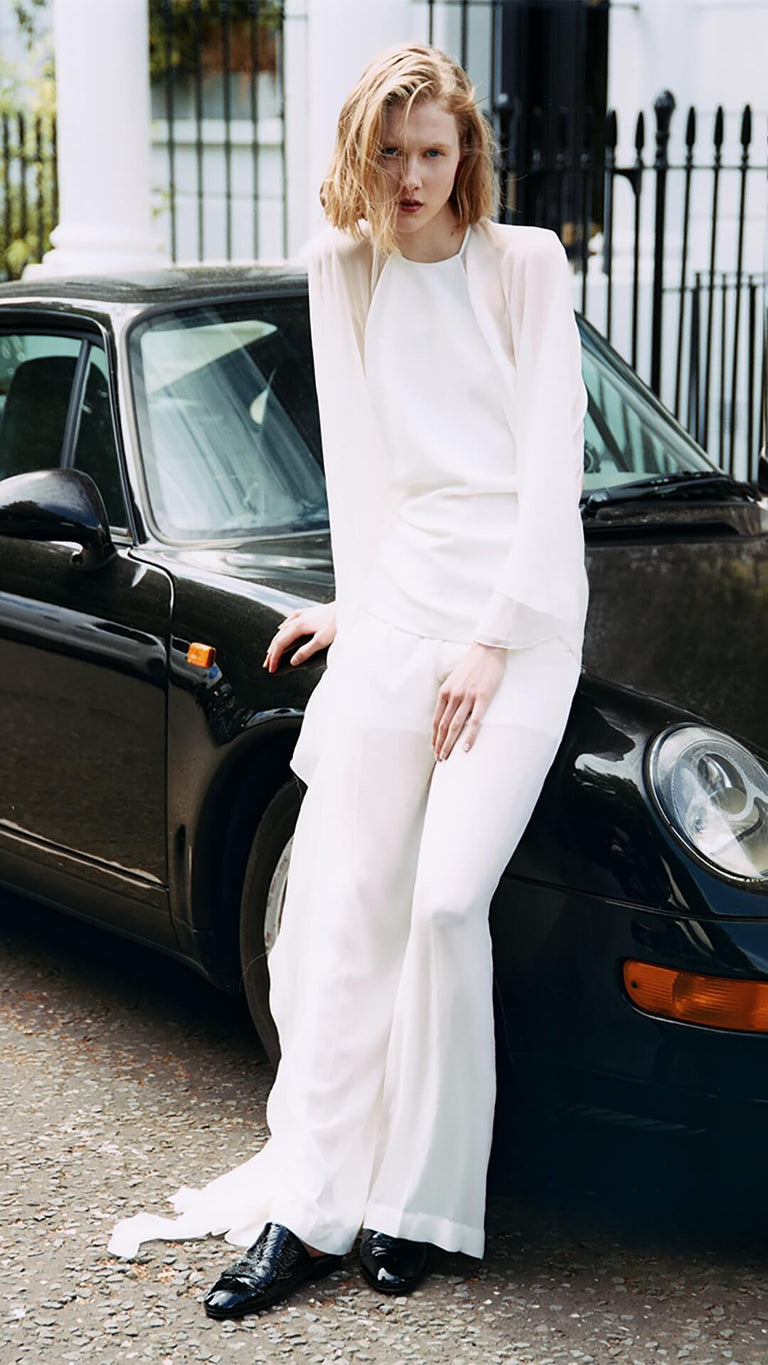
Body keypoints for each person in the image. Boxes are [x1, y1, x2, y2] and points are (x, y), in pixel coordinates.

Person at [107, 41, 589, 1320]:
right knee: (341, 908)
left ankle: (420, 1206)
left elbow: (553, 473)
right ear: (360, 155)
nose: (412, 175)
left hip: (519, 622)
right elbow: (364, 471)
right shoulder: (343, 268)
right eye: (390, 152)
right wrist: (358, 604)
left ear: (466, 152)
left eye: (433, 151)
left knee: (444, 906)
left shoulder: (526, 265)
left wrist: (494, 638)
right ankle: (312, 1208)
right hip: (403, 605)